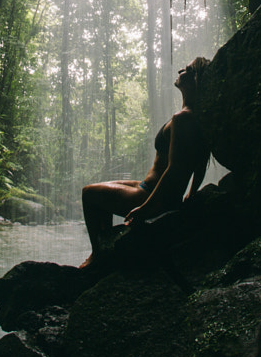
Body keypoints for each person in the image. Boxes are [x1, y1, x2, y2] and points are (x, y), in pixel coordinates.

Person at [79, 57, 211, 268]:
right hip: (150, 188)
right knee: (101, 189)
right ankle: (105, 249)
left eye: (186, 70)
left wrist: (145, 208)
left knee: (89, 193)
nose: (180, 70)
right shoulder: (194, 117)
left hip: (153, 196)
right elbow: (201, 160)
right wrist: (191, 192)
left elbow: (175, 168)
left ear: (194, 79)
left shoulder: (184, 118)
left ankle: (98, 256)